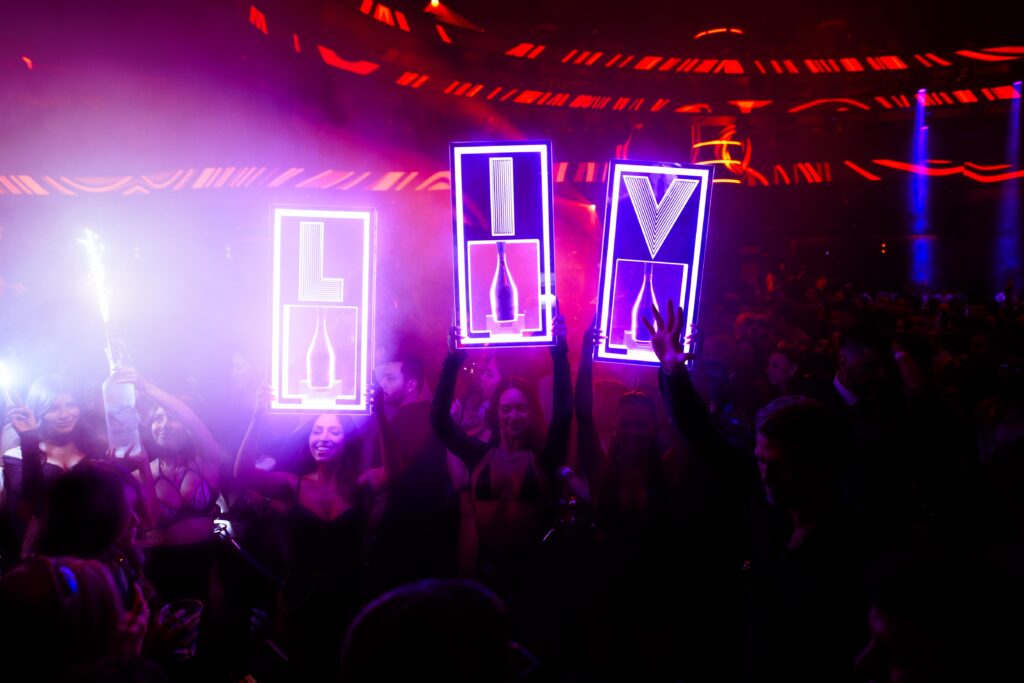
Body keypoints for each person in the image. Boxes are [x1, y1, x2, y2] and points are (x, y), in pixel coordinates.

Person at [649, 302, 867, 682]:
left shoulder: (849, 535)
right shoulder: (760, 488)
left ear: (814, 463)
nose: (765, 474)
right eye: (760, 461)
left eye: (778, 464)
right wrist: (672, 368)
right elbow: (703, 435)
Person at [234, 386, 398, 680]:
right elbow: (242, 474)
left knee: (345, 668)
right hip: (301, 598)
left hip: (348, 595)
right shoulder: (292, 485)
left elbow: (394, 471)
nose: (323, 437)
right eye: (317, 431)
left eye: (333, 431)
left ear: (346, 440)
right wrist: (257, 416)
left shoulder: (361, 485)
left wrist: (381, 414)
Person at [112, 367, 224, 603]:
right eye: (157, 419)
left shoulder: (206, 460)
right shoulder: (145, 471)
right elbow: (151, 521)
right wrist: (142, 464)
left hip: (206, 560)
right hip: (161, 565)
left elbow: (193, 420)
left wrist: (146, 386)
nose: (162, 425)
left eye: (172, 419)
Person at [368, 354, 468, 594]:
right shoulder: (435, 419)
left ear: (412, 384)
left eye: (390, 378)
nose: (383, 384)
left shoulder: (398, 423)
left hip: (401, 532)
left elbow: (384, 484)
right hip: (436, 530)